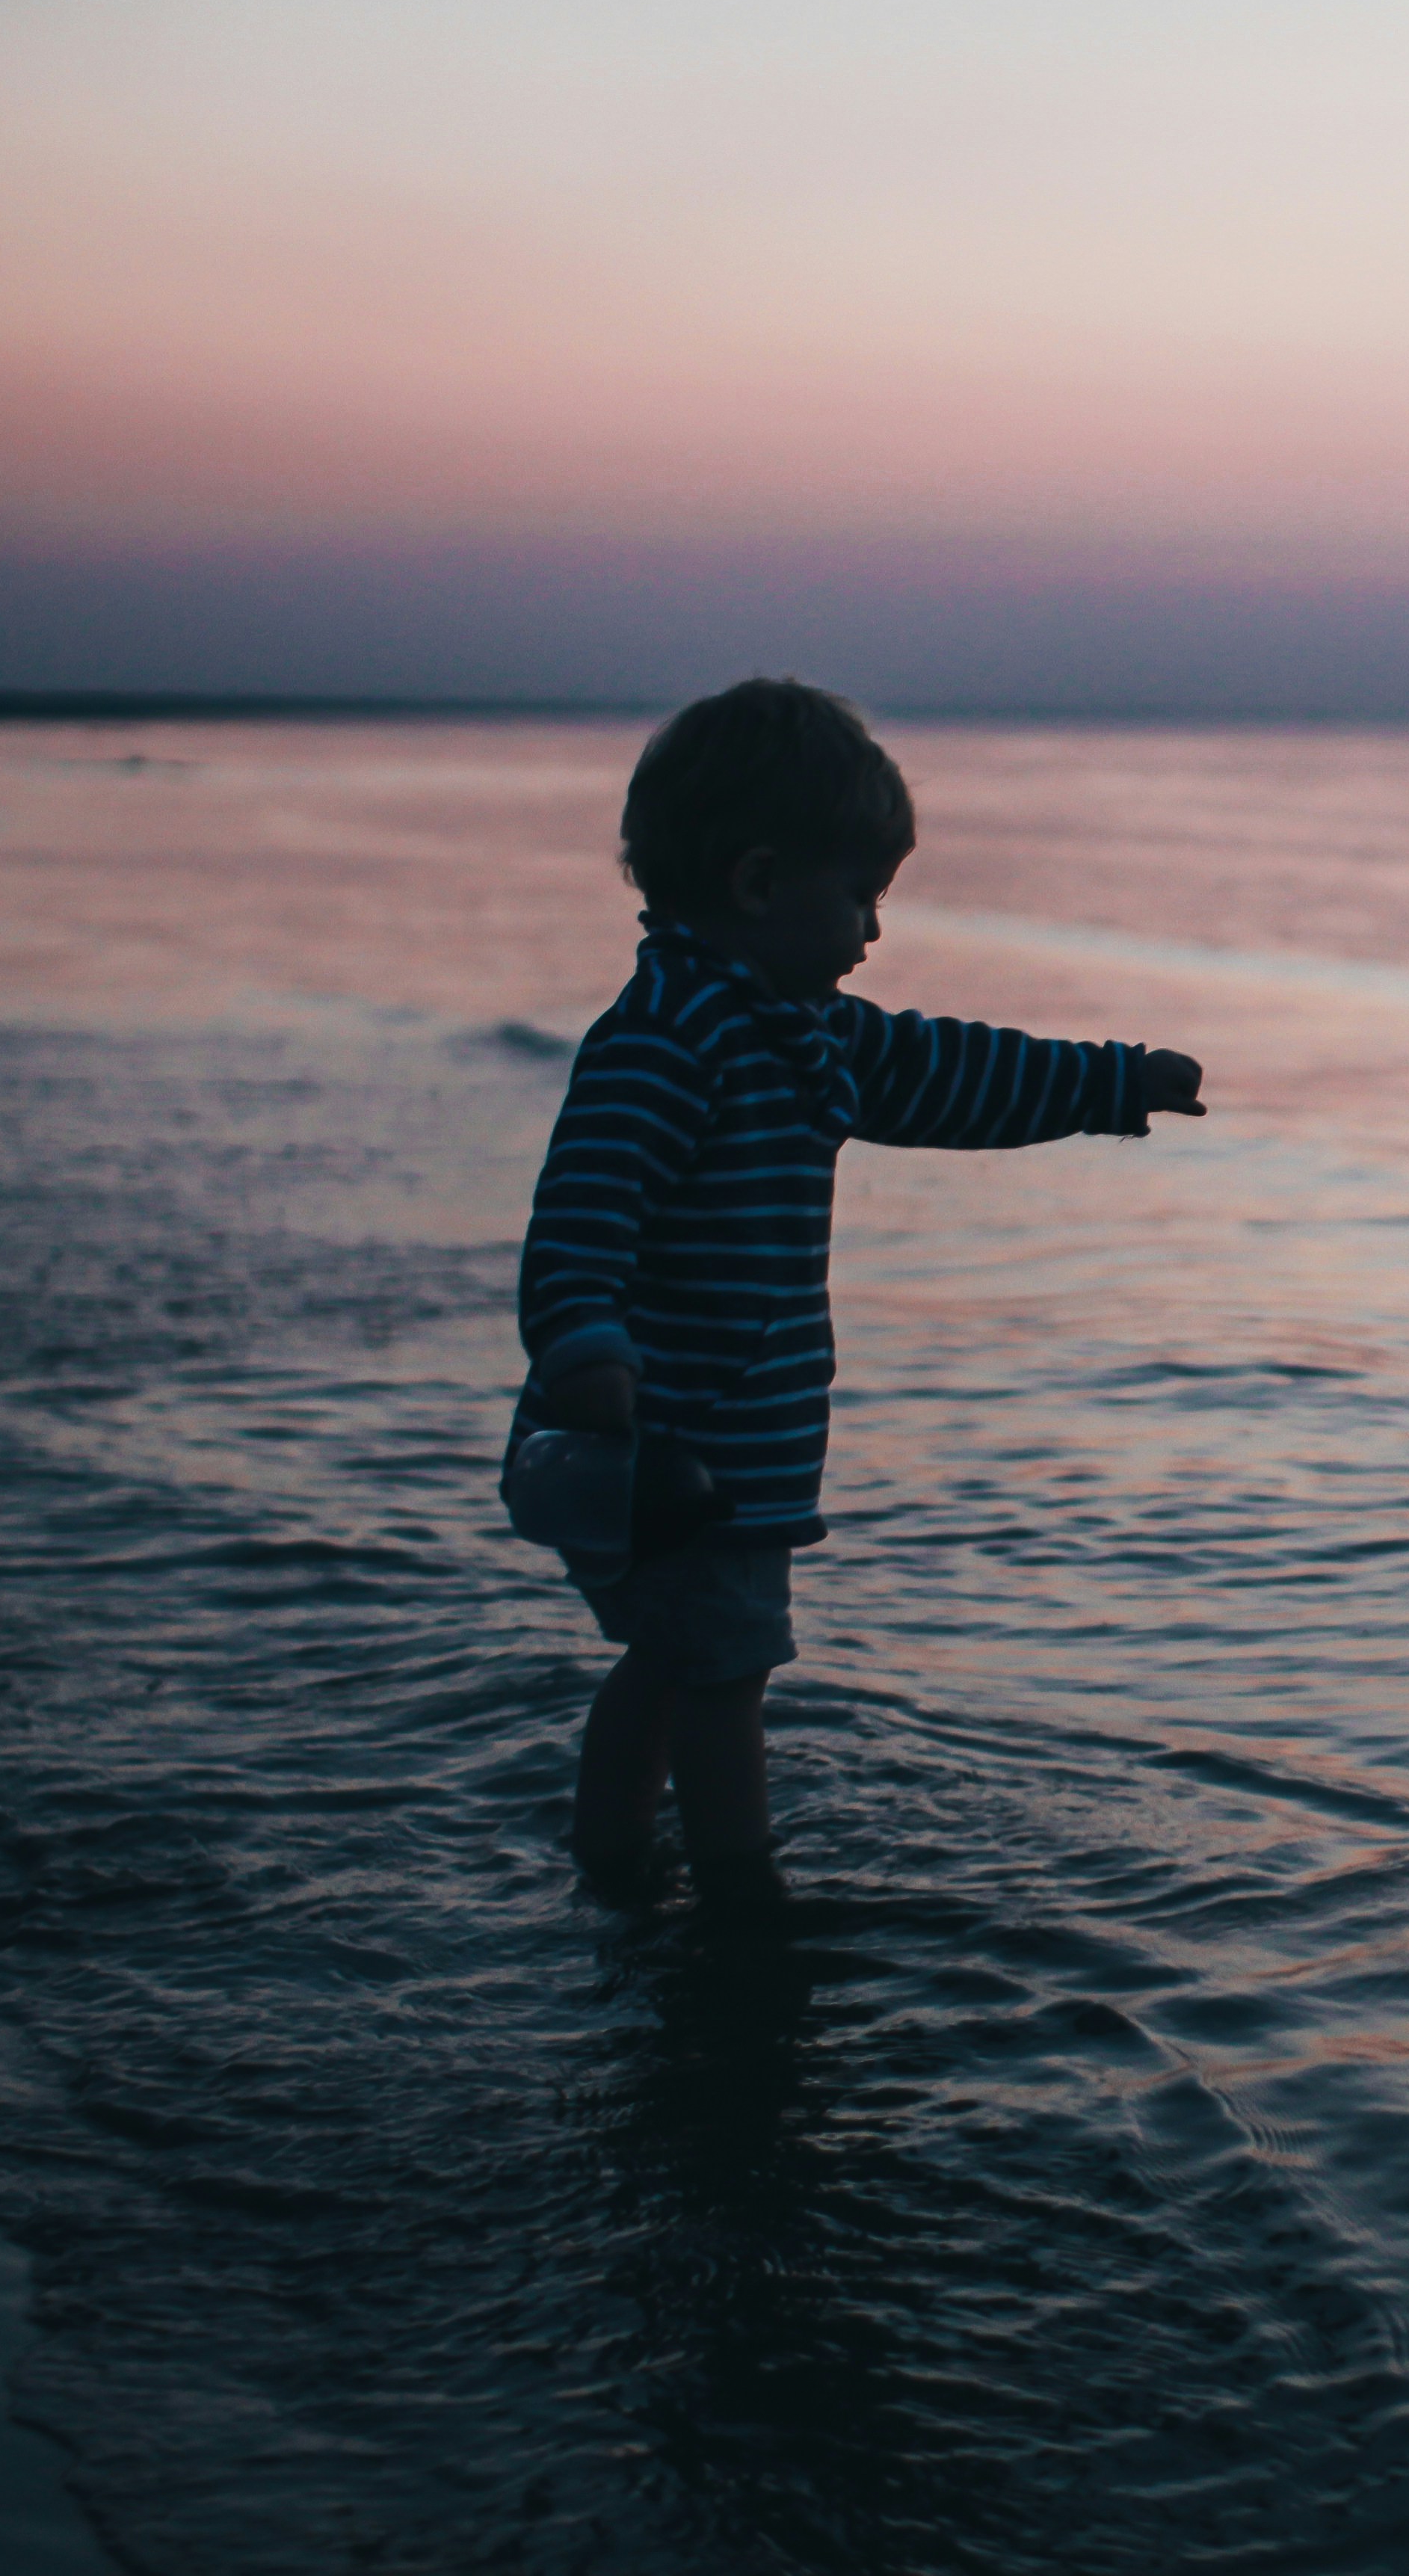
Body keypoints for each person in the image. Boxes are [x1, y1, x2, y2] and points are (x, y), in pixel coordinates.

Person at [513, 679, 1203, 1915]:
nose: (874, 931)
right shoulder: (670, 1038)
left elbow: (953, 1072)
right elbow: (580, 1217)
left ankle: (611, 1858)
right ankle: (740, 1897)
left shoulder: (805, 1031)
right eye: (861, 897)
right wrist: (585, 1349)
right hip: (671, 1457)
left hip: (728, 1451)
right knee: (722, 1676)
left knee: (676, 1661)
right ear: (759, 883)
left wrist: (1111, 1083)